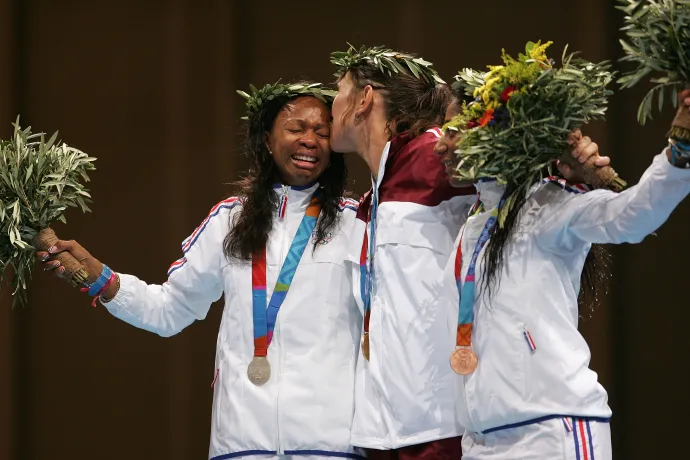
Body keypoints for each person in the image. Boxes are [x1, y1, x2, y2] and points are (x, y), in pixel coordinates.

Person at [37, 82, 365, 460]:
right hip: (241, 444)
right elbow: (170, 310)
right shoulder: (229, 220)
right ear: (267, 140)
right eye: (295, 129)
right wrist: (102, 280)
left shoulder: (355, 223)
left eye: (322, 132)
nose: (310, 140)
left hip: (331, 445)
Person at [436, 86, 690, 459]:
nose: (440, 145)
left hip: (552, 431)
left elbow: (634, 216)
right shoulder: (472, 226)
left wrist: (679, 151)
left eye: (452, 129)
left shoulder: (548, 204)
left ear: (492, 131)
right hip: (481, 440)